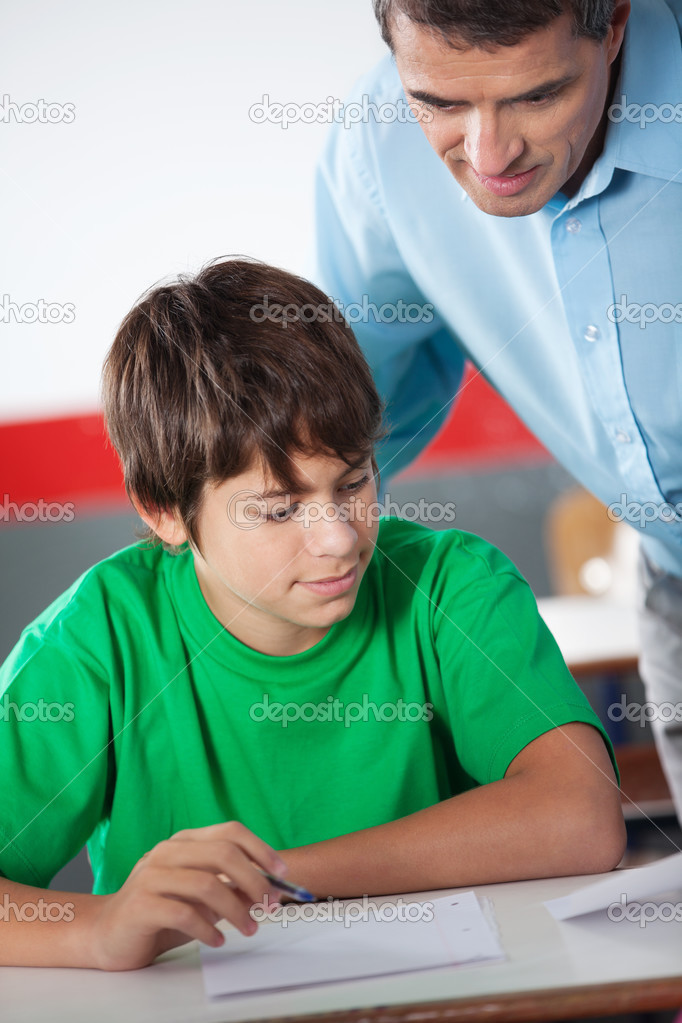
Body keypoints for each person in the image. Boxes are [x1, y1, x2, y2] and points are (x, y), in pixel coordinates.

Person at [0, 257, 624, 971]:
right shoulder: (95, 638)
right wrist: (98, 931)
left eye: (354, 481)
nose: (340, 537)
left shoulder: (455, 583)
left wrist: (270, 877)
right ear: (165, 510)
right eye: (279, 508)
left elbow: (581, 816)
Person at [309, 0, 682, 823]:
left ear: (612, 23)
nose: (489, 154)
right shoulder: (377, 146)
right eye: (439, 104)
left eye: (537, 95)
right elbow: (344, 421)